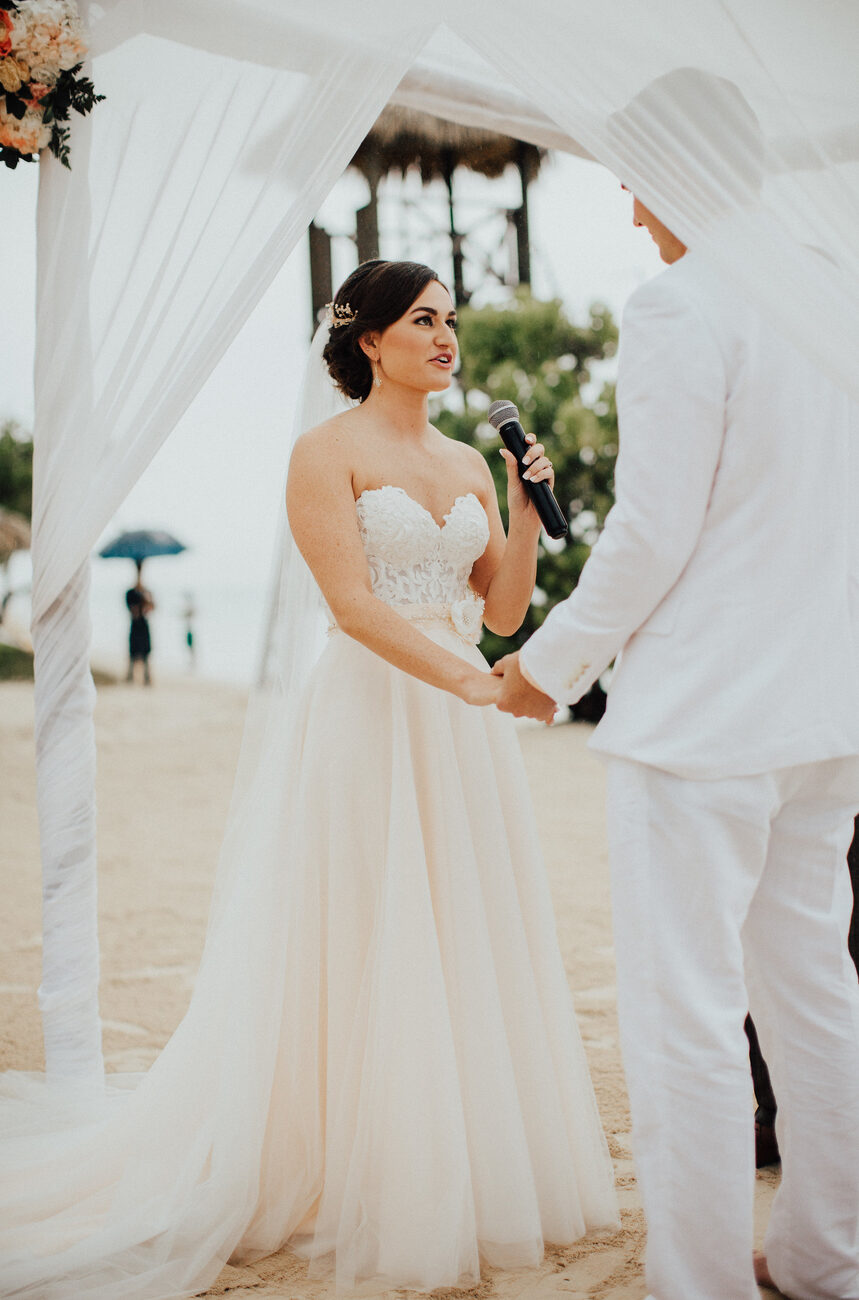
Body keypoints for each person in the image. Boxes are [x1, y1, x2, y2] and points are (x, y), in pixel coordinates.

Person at [0, 260, 617, 1298]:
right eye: (423, 320)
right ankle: (341, 1162)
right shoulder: (322, 454)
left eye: (451, 320)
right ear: (368, 339)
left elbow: (503, 612)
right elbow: (356, 609)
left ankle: (450, 1146)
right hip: (379, 713)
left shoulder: (470, 459)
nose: (446, 337)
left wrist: (517, 504)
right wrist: (473, 685)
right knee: (364, 925)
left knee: (464, 921)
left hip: (466, 726)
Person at [492, 76, 859, 1300]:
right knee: (813, 997)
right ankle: (825, 1260)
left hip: (703, 727)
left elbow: (649, 537)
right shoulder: (832, 287)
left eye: (632, 169)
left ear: (676, 168)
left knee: (685, 1021)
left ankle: (698, 1283)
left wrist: (547, 668)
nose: (627, 199)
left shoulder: (680, 306)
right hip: (824, 714)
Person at [125, 570, 154, 685]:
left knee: (146, 652)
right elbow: (133, 610)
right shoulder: (131, 593)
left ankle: (146, 678)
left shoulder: (147, 592)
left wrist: (147, 600)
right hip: (136, 624)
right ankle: (130, 676)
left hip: (144, 625)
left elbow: (152, 608)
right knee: (133, 652)